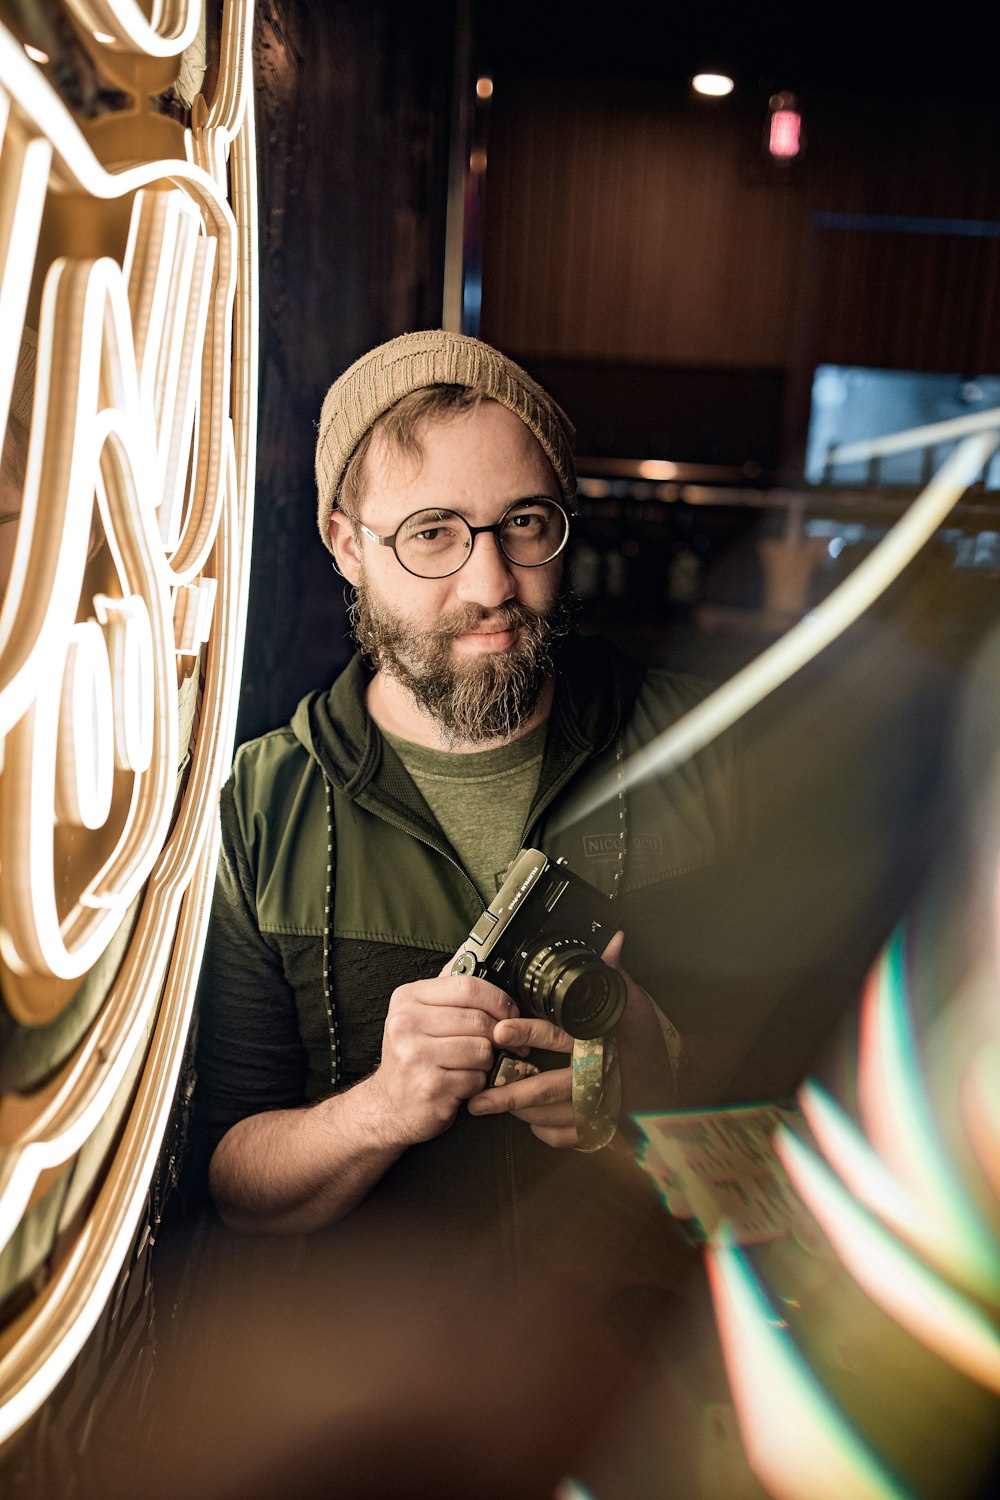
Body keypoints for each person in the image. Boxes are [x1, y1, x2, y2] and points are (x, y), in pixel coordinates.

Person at [195, 330, 738, 1270]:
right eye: (432, 534)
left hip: (651, 1380)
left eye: (525, 523)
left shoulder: (712, 747)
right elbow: (234, 1187)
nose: (491, 585)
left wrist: (664, 1077)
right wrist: (378, 1112)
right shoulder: (257, 808)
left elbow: (851, 1100)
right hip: (373, 1396)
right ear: (346, 544)